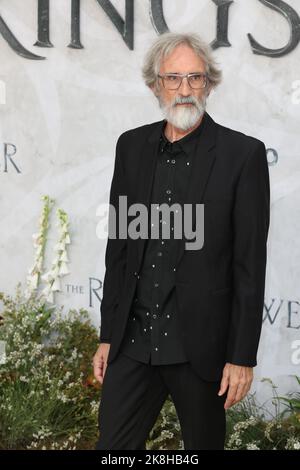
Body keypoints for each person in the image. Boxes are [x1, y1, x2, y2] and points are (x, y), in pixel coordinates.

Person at [93, 32, 270, 450]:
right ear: (156, 85)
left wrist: (242, 356)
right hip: (133, 342)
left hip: (201, 350)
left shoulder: (241, 155)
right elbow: (119, 250)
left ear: (209, 83)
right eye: (174, 79)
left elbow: (249, 265)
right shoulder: (131, 146)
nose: (185, 89)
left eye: (195, 78)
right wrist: (107, 334)